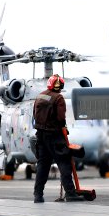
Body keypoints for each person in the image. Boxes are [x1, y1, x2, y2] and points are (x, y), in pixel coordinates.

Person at [33, 74, 84, 203]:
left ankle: (38, 195)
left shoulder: (40, 96)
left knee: (42, 166)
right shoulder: (59, 98)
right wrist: (63, 128)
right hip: (55, 135)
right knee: (64, 163)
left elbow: (34, 114)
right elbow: (61, 118)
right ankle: (71, 194)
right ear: (61, 86)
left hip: (40, 136)